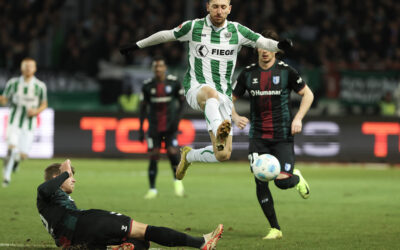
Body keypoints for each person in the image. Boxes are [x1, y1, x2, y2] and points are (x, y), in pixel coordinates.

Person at [120, 0, 293, 180]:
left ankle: (189, 156)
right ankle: (219, 130)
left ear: (229, 9)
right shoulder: (194, 27)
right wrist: (136, 45)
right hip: (197, 88)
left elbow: (263, 41)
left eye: (223, 7)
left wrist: (279, 46)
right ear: (208, 7)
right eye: (215, 6)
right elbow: (166, 35)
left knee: (223, 155)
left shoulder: (237, 31)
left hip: (223, 95)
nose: (219, 11)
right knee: (211, 94)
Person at [232, 30, 313, 240]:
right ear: (257, 48)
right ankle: (275, 228)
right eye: (262, 47)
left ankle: (296, 178)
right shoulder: (247, 73)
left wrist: (298, 119)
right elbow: (227, 99)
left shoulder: (286, 71)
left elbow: (308, 94)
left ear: (275, 50)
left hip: (282, 135)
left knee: (281, 183)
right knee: (260, 181)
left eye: (270, 48)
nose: (265, 51)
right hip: (257, 137)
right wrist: (234, 116)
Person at [37, 159, 223, 250]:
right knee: (145, 230)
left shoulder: (54, 206)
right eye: (71, 177)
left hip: (78, 240)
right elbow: (45, 189)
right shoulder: (45, 193)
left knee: (142, 244)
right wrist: (65, 173)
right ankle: (201, 243)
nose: (74, 180)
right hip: (89, 222)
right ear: (56, 178)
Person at [139, 56, 185, 199]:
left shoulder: (174, 82)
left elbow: (182, 102)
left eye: (160, 66)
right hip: (154, 127)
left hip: (170, 125)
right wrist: (141, 128)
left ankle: (177, 183)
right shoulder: (147, 85)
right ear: (153, 69)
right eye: (156, 67)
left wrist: (177, 120)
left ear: (165, 68)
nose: (158, 69)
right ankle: (152, 189)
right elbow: (142, 108)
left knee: (172, 152)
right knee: (154, 155)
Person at [1, 58, 47, 187]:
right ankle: (6, 177)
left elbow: (44, 104)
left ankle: (15, 162)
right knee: (11, 148)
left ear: (35, 69)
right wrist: (2, 100)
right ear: (21, 68)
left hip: (29, 124)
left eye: (30, 66)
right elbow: (4, 99)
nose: (28, 68)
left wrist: (36, 111)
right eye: (25, 66)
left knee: (23, 155)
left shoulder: (40, 86)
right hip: (14, 121)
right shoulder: (13, 83)